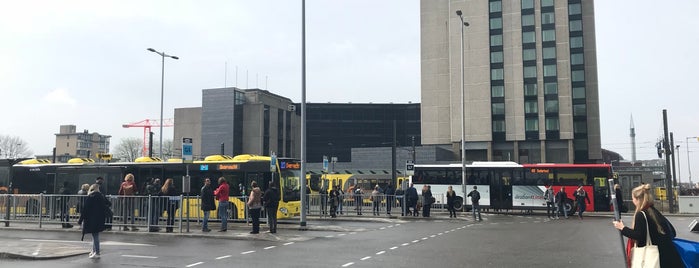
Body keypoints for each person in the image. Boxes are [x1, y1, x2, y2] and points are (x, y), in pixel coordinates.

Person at [612, 184, 683, 267]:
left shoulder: (641, 214)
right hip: (670, 257)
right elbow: (672, 231)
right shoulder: (654, 211)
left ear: (637, 199)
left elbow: (638, 235)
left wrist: (622, 228)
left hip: (656, 259)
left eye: (633, 198)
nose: (632, 200)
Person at [78, 184, 109, 259]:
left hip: (91, 219)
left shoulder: (90, 197)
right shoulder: (101, 196)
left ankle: (97, 252)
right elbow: (108, 204)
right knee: (95, 235)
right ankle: (94, 250)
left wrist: (80, 220)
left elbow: (85, 209)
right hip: (100, 219)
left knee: (95, 235)